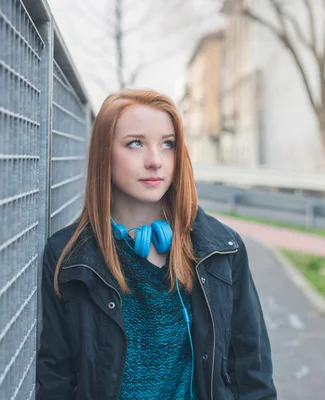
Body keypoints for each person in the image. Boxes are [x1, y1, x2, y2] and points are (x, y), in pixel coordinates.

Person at [35, 89, 277, 400]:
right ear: (104, 154)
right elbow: (56, 377)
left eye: (168, 144)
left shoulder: (222, 249)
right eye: (135, 143)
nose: (155, 161)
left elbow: (251, 372)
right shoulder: (69, 256)